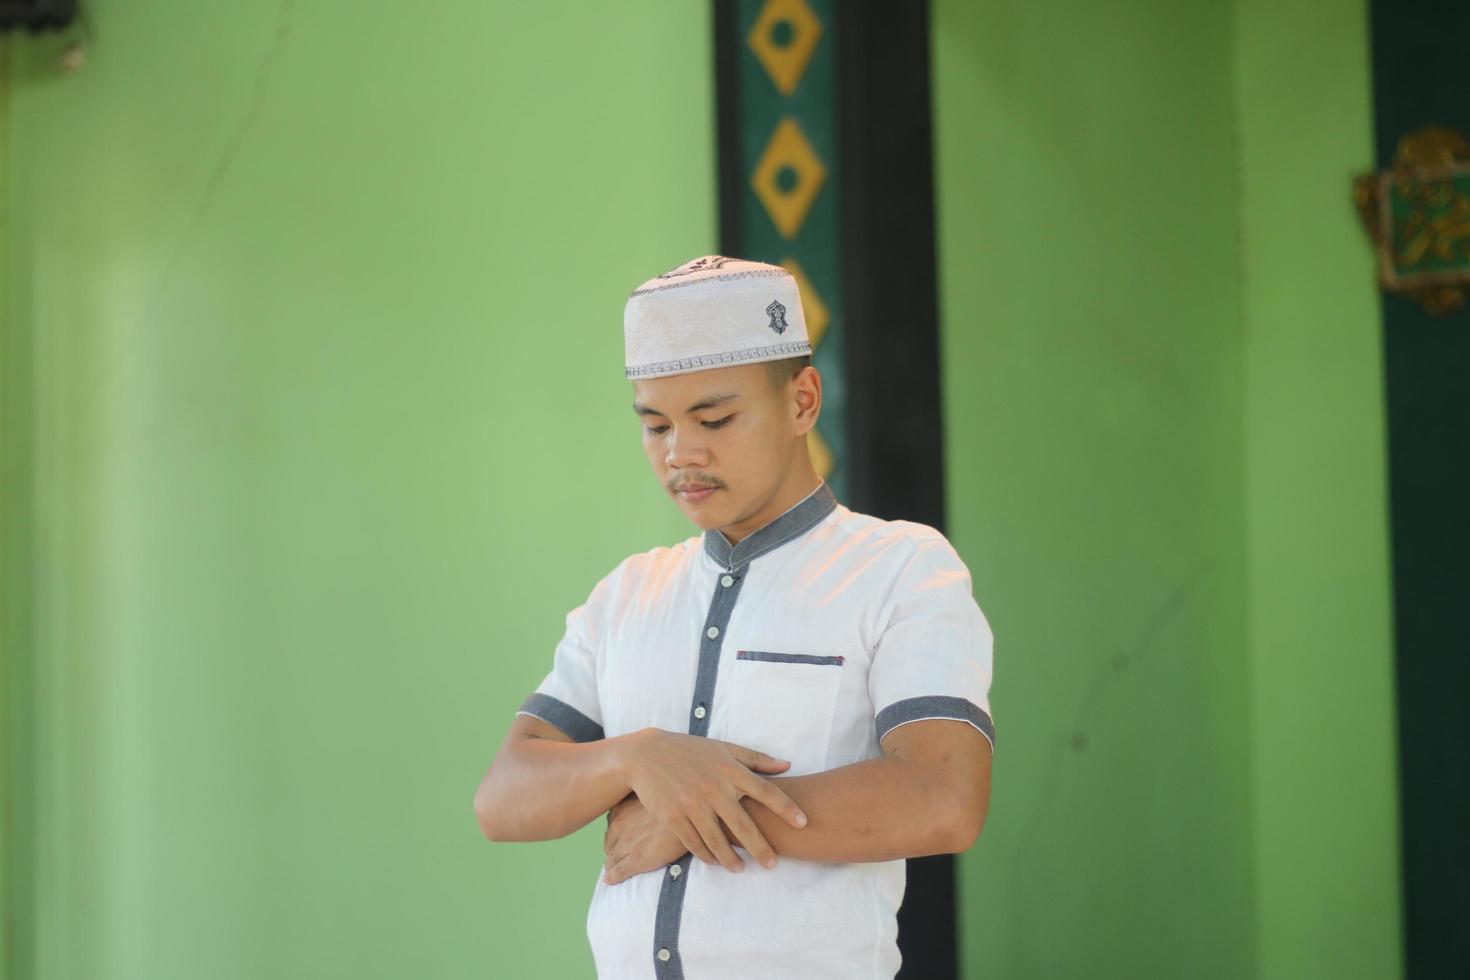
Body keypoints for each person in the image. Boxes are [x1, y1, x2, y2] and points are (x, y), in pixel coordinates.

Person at [473, 255, 996, 979]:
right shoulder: (627, 594)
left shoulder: (900, 569)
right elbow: (504, 799)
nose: (681, 454)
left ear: (803, 401)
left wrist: (687, 818)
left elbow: (943, 797)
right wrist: (638, 757)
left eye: (713, 418)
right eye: (655, 426)